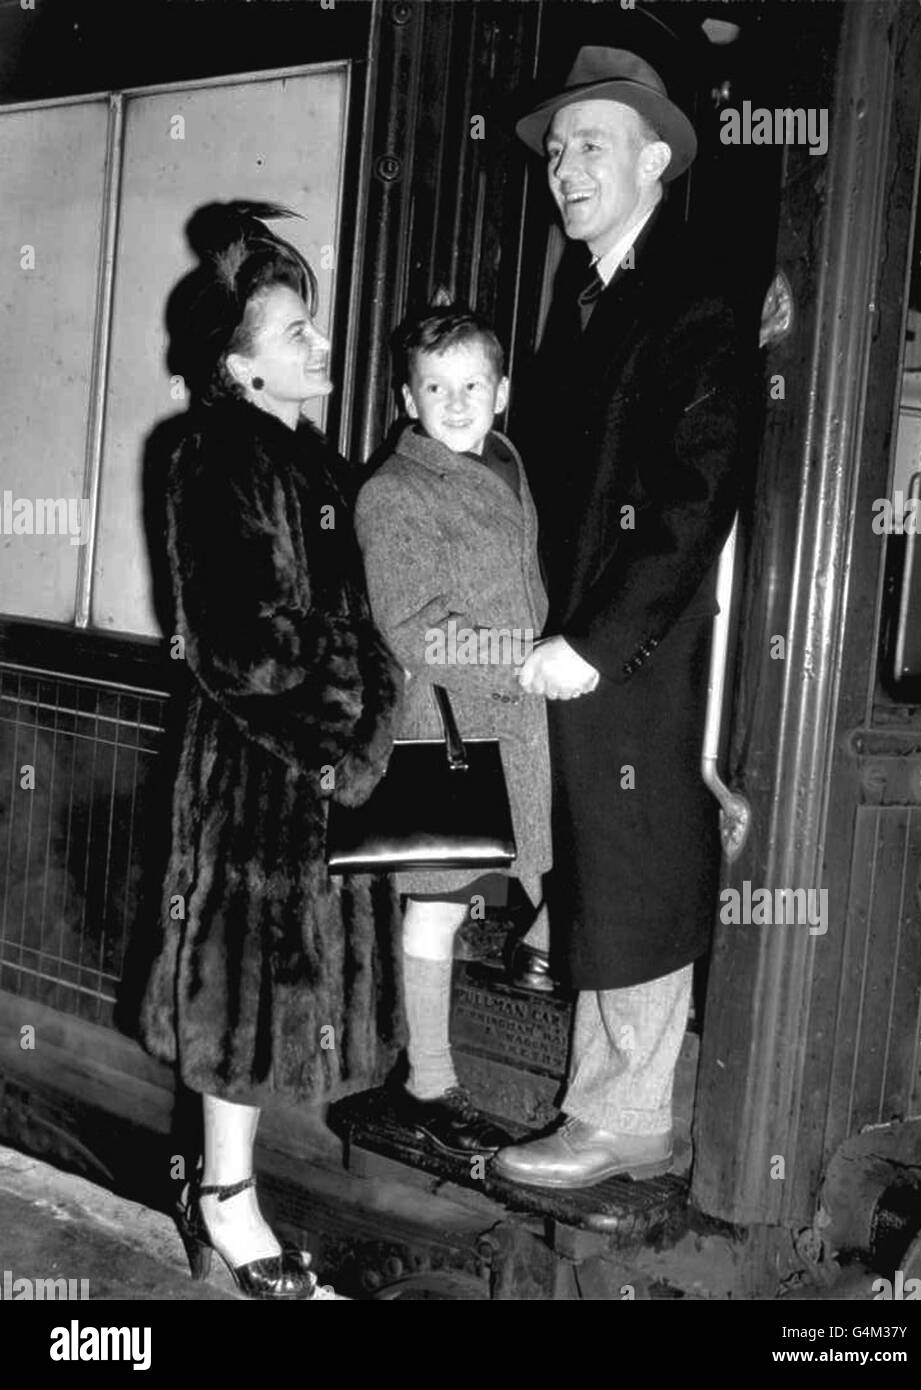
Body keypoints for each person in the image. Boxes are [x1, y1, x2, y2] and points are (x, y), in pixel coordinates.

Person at [494, 47, 754, 1189]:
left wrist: (595, 645)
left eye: (590, 143)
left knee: (635, 873)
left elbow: (695, 498)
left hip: (633, 658)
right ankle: (605, 1104)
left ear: (655, 158)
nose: (564, 166)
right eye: (555, 150)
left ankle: (628, 1117)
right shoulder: (591, 292)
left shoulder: (689, 297)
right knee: (603, 873)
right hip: (584, 647)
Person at [135, 201, 404, 1295]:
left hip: (313, 773)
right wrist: (347, 720)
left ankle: (226, 1186)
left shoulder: (322, 466)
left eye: (315, 326)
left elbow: (362, 625)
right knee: (237, 1002)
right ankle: (223, 1199)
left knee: (279, 996)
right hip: (253, 776)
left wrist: (370, 710)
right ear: (239, 363)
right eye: (297, 332)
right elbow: (242, 648)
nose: (321, 347)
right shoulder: (208, 451)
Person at [354, 306, 551, 1158]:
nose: (458, 400)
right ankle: (427, 1083)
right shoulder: (392, 492)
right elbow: (414, 627)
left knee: (560, 867)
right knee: (435, 911)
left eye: (473, 384)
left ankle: (538, 956)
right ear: (408, 396)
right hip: (447, 732)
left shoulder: (505, 461)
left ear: (500, 390)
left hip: (524, 726)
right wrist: (526, 658)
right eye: (437, 387)